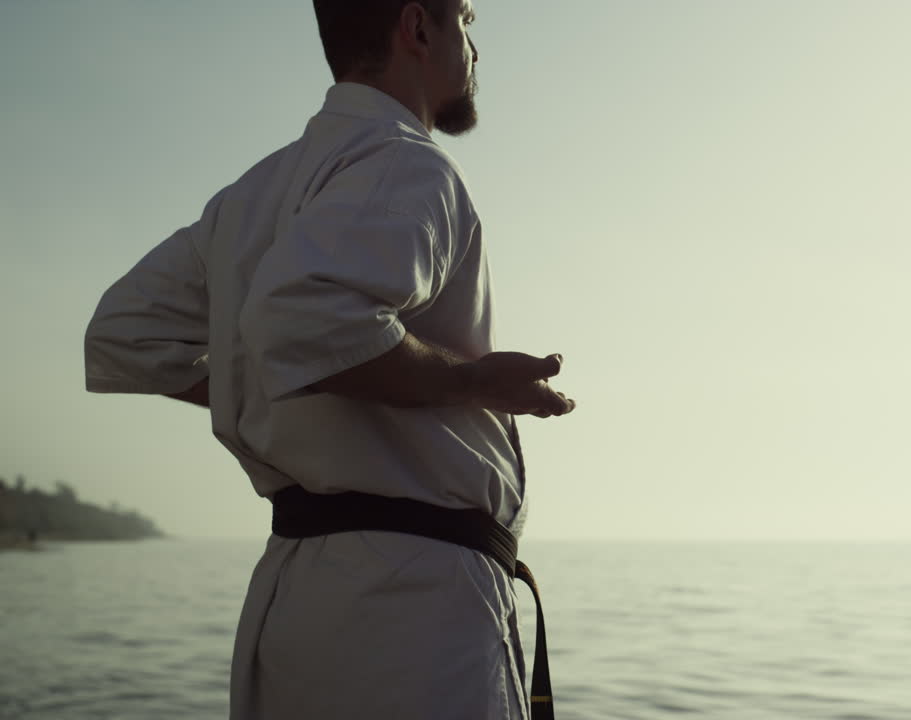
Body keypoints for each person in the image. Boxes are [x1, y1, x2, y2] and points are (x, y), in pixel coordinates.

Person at [82, 1, 573, 718]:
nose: (475, 46)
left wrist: (275, 383)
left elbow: (124, 332)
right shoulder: (410, 165)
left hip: (295, 610)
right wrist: (469, 380)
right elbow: (308, 315)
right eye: (467, 19)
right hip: (411, 621)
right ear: (418, 27)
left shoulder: (250, 199)